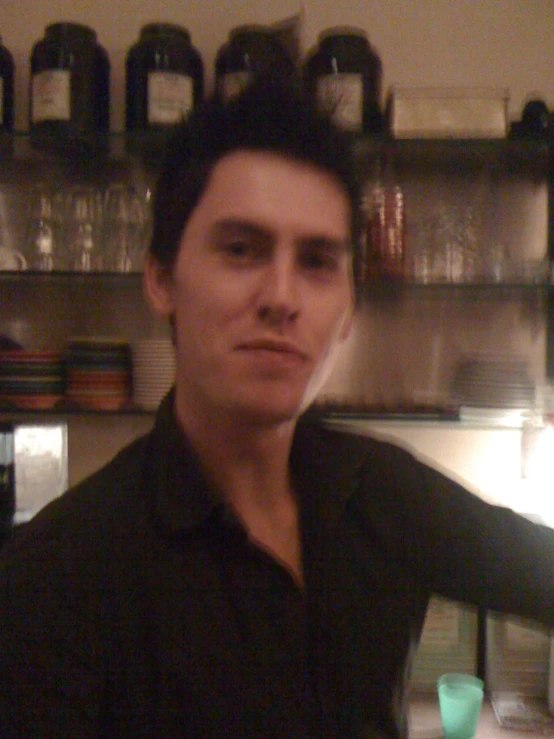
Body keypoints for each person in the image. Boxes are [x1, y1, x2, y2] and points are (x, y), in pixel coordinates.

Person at [1, 80, 554, 739]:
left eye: (317, 261)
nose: (282, 296)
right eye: (241, 249)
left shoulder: (383, 492)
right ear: (161, 278)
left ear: (348, 307)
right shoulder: (57, 573)